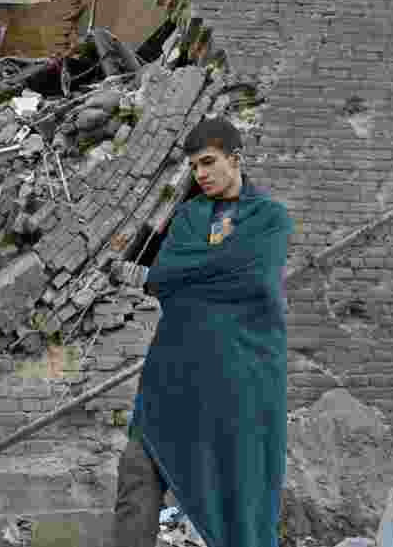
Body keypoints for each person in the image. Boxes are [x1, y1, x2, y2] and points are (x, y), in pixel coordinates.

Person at [111, 116, 293, 547]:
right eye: (194, 167)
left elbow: (257, 285)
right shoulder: (189, 216)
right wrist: (210, 273)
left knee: (238, 495)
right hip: (171, 376)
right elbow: (161, 280)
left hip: (240, 380)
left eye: (208, 162)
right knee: (136, 476)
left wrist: (188, 275)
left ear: (236, 159)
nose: (201, 174)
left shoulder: (271, 218)